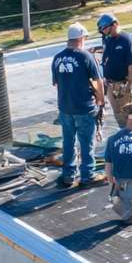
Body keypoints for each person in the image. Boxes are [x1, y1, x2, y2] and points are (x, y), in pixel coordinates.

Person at [52, 23, 106, 189]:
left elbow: (56, 83)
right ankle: (87, 175)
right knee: (86, 142)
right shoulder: (85, 56)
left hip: (65, 108)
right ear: (81, 38)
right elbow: (98, 81)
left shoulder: (57, 58)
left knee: (68, 141)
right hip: (84, 107)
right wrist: (101, 101)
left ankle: (68, 176)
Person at [96, 13, 132, 129]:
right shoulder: (107, 38)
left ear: (114, 25)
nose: (103, 32)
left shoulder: (126, 41)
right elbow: (107, 51)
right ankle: (126, 131)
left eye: (104, 29)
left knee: (124, 113)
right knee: (117, 112)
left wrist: (129, 86)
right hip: (109, 83)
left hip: (121, 85)